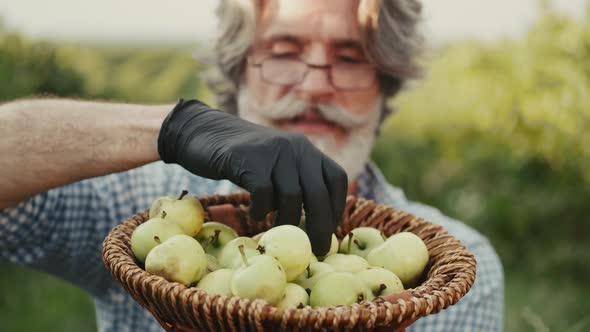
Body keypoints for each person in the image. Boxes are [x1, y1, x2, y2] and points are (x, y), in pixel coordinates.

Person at [0, 0, 504, 331]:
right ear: (237, 71)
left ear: (387, 81)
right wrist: (173, 128)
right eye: (282, 53)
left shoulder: (444, 270)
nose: (313, 85)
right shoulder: (148, 208)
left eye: (350, 58)